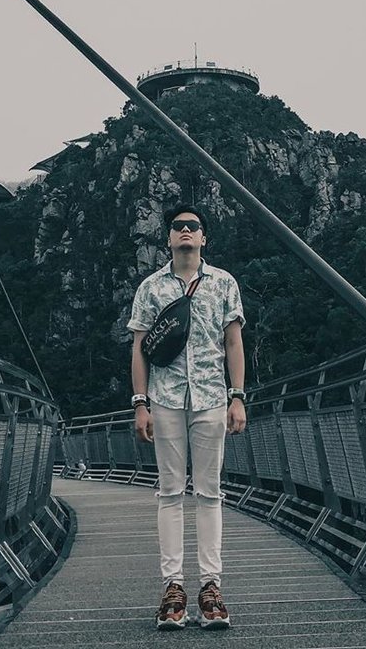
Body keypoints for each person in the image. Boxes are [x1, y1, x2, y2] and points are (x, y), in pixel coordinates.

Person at [127, 202, 248, 630]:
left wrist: (237, 396)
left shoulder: (224, 284)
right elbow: (139, 348)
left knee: (210, 492)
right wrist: (139, 402)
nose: (184, 232)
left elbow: (233, 344)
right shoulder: (151, 288)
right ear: (168, 237)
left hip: (213, 397)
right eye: (177, 226)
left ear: (203, 238)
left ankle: (211, 587)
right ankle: (173, 588)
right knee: (171, 491)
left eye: (192, 227)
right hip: (165, 398)